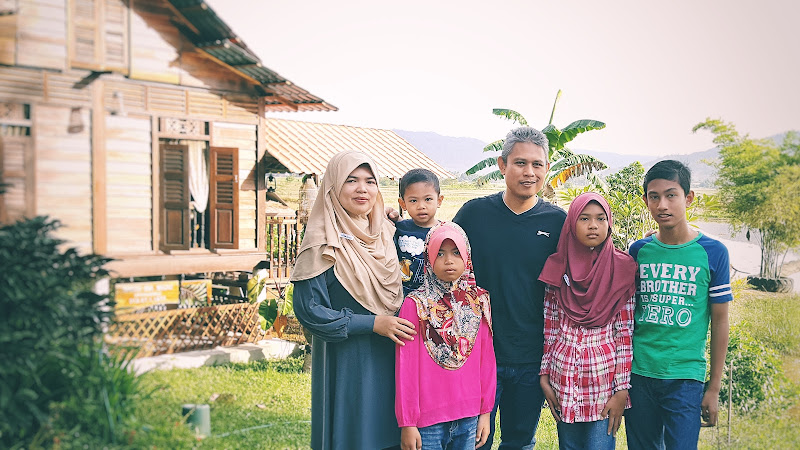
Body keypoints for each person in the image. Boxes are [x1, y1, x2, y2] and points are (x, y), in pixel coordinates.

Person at [291, 150, 417, 450]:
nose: (363, 189)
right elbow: (310, 311)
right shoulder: (322, 241)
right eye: (351, 180)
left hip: (395, 362)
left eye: (370, 181)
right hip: (348, 368)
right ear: (333, 187)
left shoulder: (388, 233)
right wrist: (372, 324)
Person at [452, 126, 567, 449]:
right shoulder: (474, 214)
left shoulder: (558, 223)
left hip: (533, 357)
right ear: (502, 165)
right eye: (520, 163)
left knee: (519, 441)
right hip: (478, 353)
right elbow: (439, 254)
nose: (529, 172)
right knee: (473, 441)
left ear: (546, 169)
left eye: (537, 164)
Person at [625, 160, 732, 449]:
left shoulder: (713, 252)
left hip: (685, 377)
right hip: (639, 373)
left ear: (689, 197)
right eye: (653, 196)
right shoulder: (638, 251)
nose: (662, 204)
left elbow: (720, 320)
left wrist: (714, 387)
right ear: (646, 200)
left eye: (671, 195)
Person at [538, 192, 638, 450]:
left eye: (600, 218)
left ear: (609, 223)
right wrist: (545, 375)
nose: (593, 225)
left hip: (603, 385)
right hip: (565, 381)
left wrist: (621, 389)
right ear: (572, 223)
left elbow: (624, 335)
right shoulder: (558, 267)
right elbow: (550, 329)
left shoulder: (622, 269)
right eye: (584, 218)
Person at [396, 221, 496, 450]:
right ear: (429, 258)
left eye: (455, 253)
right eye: (440, 253)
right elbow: (406, 367)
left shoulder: (478, 302)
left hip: (469, 416)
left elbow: (487, 360)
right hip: (427, 421)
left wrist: (485, 411)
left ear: (467, 256)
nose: (448, 260)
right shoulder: (415, 305)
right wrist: (408, 422)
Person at [395, 168, 444, 295]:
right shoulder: (397, 229)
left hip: (434, 298)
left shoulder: (445, 232)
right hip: (402, 297)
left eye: (428, 199)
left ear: (439, 201)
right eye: (413, 200)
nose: (421, 206)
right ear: (403, 204)